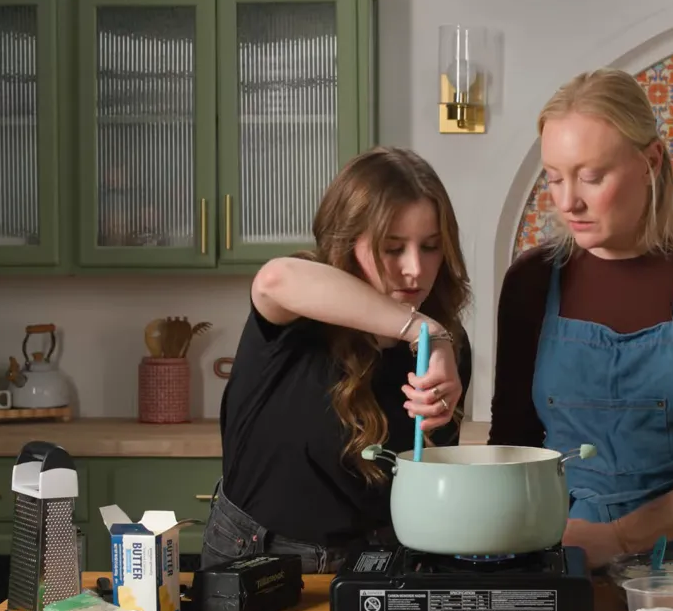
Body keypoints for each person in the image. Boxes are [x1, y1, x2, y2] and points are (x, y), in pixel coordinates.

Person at [489, 68, 673, 573]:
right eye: (555, 177)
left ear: (650, 161)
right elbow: (512, 445)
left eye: (591, 177)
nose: (568, 201)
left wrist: (619, 537)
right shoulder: (531, 280)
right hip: (569, 554)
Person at [202, 146, 473, 574]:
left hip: (380, 561)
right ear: (347, 242)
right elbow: (274, 278)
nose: (415, 269)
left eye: (431, 247)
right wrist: (427, 330)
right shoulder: (298, 314)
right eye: (392, 248)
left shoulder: (446, 349)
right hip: (258, 558)